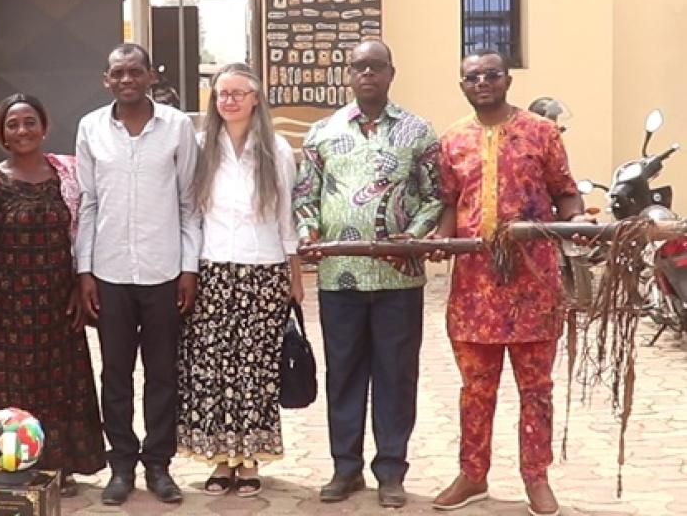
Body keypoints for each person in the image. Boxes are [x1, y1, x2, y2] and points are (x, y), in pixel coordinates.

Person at [431, 49, 588, 516]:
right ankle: (473, 474)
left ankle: (536, 478)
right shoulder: (452, 140)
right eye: (472, 76)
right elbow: (448, 203)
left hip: (533, 285)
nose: (482, 82)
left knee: (535, 388)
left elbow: (566, 192)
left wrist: (575, 222)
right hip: (474, 289)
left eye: (491, 75)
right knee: (475, 388)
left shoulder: (542, 133)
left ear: (507, 80)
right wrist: (440, 240)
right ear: (462, 85)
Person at [293, 39, 443, 508]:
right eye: (359, 67)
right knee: (345, 374)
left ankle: (392, 471)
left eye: (376, 67)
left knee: (397, 376)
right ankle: (345, 468)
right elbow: (304, 196)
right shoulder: (322, 133)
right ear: (349, 75)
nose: (367, 75)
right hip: (340, 278)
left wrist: (412, 238)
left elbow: (435, 195)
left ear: (391, 74)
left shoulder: (418, 132)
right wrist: (309, 228)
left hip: (399, 278)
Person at [75, 42, 201, 506]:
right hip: (109, 272)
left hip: (165, 269)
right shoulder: (90, 128)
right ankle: (122, 465)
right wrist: (84, 271)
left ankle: (159, 465)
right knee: (116, 373)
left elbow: (189, 203)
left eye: (135, 72)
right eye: (118, 73)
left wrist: (188, 268)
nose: (126, 80)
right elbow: (88, 203)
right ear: (106, 79)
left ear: (151, 75)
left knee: (163, 373)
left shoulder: (177, 127)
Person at [0, 93, 106, 496]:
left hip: (58, 300)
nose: (22, 130)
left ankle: (60, 467)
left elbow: (82, 232)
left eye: (30, 122)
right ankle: (11, 466)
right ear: (2, 134)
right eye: (13, 124)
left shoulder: (66, 176)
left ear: (44, 128)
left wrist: (83, 283)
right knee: (13, 387)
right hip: (9, 305)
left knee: (62, 383)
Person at [177, 63, 303, 498]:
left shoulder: (276, 149)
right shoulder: (199, 147)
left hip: (263, 270)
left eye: (237, 93)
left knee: (255, 368)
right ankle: (220, 459)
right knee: (213, 367)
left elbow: (287, 217)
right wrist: (188, 269)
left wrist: (294, 274)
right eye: (221, 93)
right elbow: (191, 213)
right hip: (212, 268)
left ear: (255, 98)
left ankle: (250, 461)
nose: (228, 100)